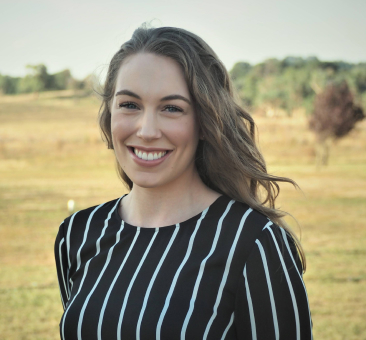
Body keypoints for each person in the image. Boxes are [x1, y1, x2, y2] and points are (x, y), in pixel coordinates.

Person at [54, 24, 313, 340]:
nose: (147, 130)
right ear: (109, 112)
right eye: (130, 105)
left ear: (205, 122)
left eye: (171, 108)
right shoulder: (78, 234)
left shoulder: (253, 244)